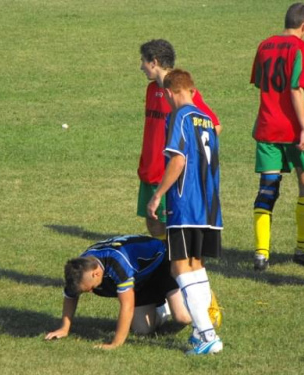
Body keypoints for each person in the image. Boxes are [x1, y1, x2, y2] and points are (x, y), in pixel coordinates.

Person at [147, 69, 223, 355]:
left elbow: (178, 160)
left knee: (179, 266)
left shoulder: (179, 117)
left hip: (185, 204)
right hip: (209, 206)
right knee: (196, 266)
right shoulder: (207, 120)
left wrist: (157, 195)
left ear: (168, 93)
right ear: (192, 89)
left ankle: (207, 335)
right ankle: (203, 332)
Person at [250, 3, 304, 271]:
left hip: (268, 126)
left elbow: (259, 82)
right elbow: (295, 88)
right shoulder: (302, 48)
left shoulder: (264, 45)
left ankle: (260, 254)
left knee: (267, 187)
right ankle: (303, 250)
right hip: (295, 127)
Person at [45, 235, 193, 350]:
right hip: (140, 279)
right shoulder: (79, 269)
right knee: (142, 330)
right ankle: (163, 307)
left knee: (183, 317)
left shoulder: (117, 264)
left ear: (96, 274)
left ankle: (197, 294)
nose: (90, 292)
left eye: (89, 288)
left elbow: (127, 305)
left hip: (162, 266)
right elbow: (70, 295)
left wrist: (115, 343)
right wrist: (64, 328)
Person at [137, 39, 221, 240]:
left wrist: (190, 151)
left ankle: (173, 266)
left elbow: (213, 125)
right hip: (149, 168)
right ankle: (165, 262)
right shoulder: (151, 90)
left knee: (170, 226)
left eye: (143, 61)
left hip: (167, 169)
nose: (141, 66)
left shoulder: (180, 92)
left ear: (154, 62)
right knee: (152, 222)